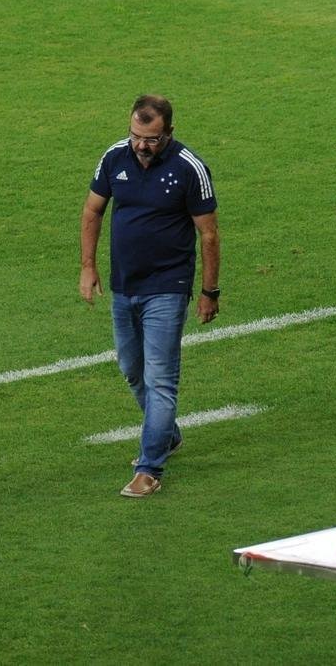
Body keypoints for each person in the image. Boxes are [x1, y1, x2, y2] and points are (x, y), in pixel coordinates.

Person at [79, 94, 221, 498]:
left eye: (152, 139)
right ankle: (168, 435)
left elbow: (208, 234)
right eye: (137, 136)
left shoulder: (189, 168)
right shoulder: (114, 158)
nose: (142, 145)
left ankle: (149, 467)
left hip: (168, 287)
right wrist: (88, 266)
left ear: (169, 133)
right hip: (125, 284)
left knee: (160, 380)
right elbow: (92, 211)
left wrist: (210, 291)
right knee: (130, 368)